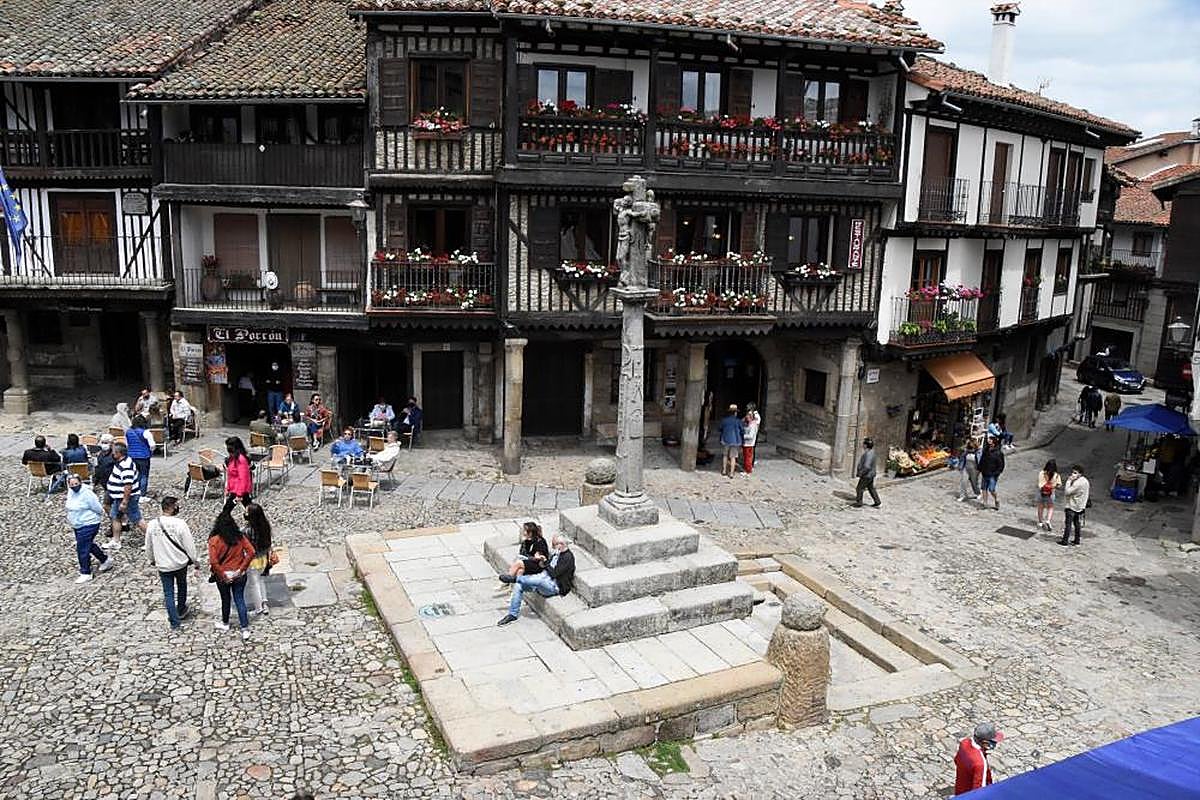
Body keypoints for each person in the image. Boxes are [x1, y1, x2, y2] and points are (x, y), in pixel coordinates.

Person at [145, 495, 200, 629]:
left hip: (163, 564)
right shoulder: (180, 524)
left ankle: (174, 622)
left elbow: (149, 545)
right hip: (180, 563)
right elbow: (189, 545)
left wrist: (152, 559)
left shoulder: (152, 525)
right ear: (172, 507)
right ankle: (181, 609)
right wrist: (195, 560)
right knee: (182, 586)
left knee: (168, 592)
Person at [497, 534, 575, 626]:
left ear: (561, 544)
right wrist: (542, 562)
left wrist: (546, 564)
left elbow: (554, 573)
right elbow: (547, 567)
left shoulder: (568, 558)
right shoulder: (556, 554)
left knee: (539, 580)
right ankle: (512, 614)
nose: (553, 547)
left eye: (555, 545)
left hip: (554, 586)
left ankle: (516, 579)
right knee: (519, 586)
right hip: (543, 578)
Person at [208, 511, 256, 640]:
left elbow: (213, 561)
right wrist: (242, 569)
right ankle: (244, 628)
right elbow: (251, 552)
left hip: (222, 574)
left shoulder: (214, 540)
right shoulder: (240, 537)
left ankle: (225, 623)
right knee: (239, 599)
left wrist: (223, 575)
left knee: (225, 599)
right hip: (238, 574)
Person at [65, 472, 113, 584]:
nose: (74, 486)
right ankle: (105, 560)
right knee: (88, 544)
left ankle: (85, 572)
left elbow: (97, 508)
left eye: (76, 483)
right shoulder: (71, 493)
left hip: (89, 523)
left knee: (82, 548)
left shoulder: (87, 494)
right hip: (77, 524)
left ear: (80, 483)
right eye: (72, 485)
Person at [105, 441, 145, 551]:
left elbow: (128, 486)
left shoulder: (126, 466)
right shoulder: (123, 461)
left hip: (127, 498)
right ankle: (116, 540)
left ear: (118, 453)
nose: (112, 454)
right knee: (115, 517)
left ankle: (151, 540)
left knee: (137, 519)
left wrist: (124, 502)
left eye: (113, 452)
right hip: (119, 498)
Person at [241, 502, 273, 617]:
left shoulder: (246, 531)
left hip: (253, 561)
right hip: (263, 558)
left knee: (254, 584)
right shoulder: (265, 526)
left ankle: (258, 608)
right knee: (261, 581)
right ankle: (264, 603)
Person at [954, 721, 1003, 794]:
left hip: (960, 787)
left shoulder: (964, 742)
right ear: (985, 743)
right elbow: (979, 791)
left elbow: (956, 760)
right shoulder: (980, 764)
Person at [1060, 464, 1091, 547]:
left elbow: (1067, 492)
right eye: (1072, 472)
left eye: (1075, 473)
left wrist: (1068, 481)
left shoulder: (1078, 483)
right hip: (1080, 506)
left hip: (1072, 506)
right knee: (1077, 524)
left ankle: (1065, 541)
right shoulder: (1085, 481)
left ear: (1080, 474)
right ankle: (1077, 540)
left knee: (1068, 524)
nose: (1072, 474)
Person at [126, 414, 156, 497]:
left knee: (134, 474)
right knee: (144, 475)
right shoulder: (145, 432)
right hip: (143, 456)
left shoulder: (128, 431)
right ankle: (142, 494)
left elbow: (127, 444)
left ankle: (135, 491)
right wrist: (151, 451)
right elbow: (152, 445)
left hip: (131, 456)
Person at [224, 436, 254, 509]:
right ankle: (257, 519)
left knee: (226, 510)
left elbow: (243, 478)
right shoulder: (232, 458)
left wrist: (239, 494)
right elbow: (230, 475)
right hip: (235, 489)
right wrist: (227, 488)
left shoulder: (241, 460)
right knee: (249, 508)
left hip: (240, 490)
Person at [978, 436, 1006, 511]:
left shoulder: (998, 453)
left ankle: (996, 499)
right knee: (984, 488)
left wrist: (996, 473)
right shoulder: (986, 450)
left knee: (991, 489)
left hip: (993, 474)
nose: (988, 441)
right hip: (985, 472)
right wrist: (980, 468)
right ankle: (985, 503)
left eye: (990, 440)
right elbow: (982, 460)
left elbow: (1001, 465)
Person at [853, 438, 881, 507]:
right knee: (871, 488)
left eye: (864, 444)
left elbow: (867, 466)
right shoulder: (872, 452)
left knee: (859, 488)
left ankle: (859, 502)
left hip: (866, 475)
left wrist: (861, 473)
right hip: (871, 474)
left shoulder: (868, 454)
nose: (863, 445)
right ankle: (877, 501)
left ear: (866, 445)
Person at [1035, 459, 1062, 531]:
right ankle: (1048, 520)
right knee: (1050, 507)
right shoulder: (1056, 475)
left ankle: (1040, 522)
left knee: (1040, 506)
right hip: (1051, 493)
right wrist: (1054, 486)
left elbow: (1040, 484)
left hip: (1042, 492)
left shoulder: (1042, 473)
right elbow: (1059, 485)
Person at [719, 404, 743, 478]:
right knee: (733, 457)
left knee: (725, 455)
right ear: (735, 412)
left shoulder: (724, 420)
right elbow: (742, 430)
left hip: (725, 440)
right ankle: (732, 473)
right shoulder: (738, 421)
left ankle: (724, 470)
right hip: (735, 440)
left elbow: (720, 428)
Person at [956, 438, 981, 502]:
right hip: (966, 468)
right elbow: (961, 458)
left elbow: (980, 461)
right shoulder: (966, 452)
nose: (970, 450)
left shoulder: (978, 452)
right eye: (969, 448)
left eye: (972, 448)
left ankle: (977, 493)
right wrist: (960, 467)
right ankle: (962, 495)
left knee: (974, 483)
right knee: (963, 482)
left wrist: (980, 470)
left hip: (974, 469)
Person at [741, 402, 761, 476]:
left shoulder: (755, 420)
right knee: (747, 455)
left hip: (749, 442)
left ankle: (749, 468)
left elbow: (751, 434)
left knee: (749, 455)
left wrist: (743, 436)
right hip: (747, 442)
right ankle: (748, 467)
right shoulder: (750, 423)